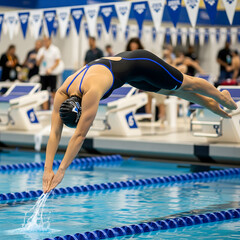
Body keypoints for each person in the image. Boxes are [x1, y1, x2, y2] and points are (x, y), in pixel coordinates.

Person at [42, 49, 237, 193]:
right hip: (130, 75)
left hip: (142, 62)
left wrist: (60, 171)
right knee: (171, 91)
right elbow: (54, 132)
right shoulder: (62, 92)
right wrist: (46, 169)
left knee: (186, 82)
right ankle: (209, 103)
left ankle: (222, 97)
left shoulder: (91, 93)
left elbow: (79, 135)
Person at [36, 36, 61, 110]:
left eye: (46, 41)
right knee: (44, 92)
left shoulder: (55, 50)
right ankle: (45, 109)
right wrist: (41, 58)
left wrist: (50, 69)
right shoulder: (41, 50)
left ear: (50, 41)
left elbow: (57, 62)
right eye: (44, 41)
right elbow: (37, 63)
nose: (45, 42)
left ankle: (55, 109)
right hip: (43, 74)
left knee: (53, 92)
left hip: (52, 74)